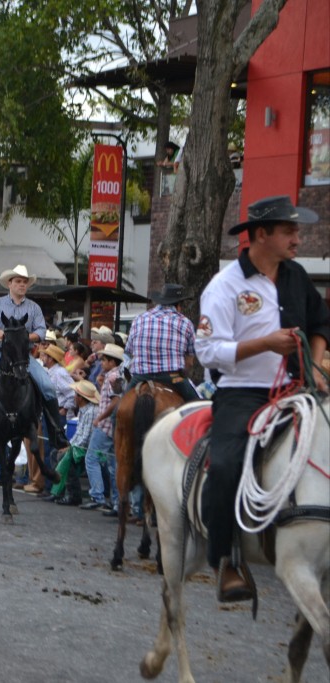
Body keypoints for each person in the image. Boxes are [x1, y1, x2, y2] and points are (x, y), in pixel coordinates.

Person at [195, 195, 329, 603]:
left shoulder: (296, 276)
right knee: (225, 464)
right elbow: (207, 350)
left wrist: (318, 366)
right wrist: (264, 344)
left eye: (296, 230)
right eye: (289, 230)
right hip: (242, 394)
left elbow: (321, 322)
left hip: (298, 386)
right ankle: (227, 559)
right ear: (261, 235)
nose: (297, 237)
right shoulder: (225, 286)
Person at [0, 264, 70, 452]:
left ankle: (57, 432)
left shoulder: (34, 307)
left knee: (47, 386)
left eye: (25, 282)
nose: (22, 285)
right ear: (9, 284)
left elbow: (41, 330)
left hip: (24, 357)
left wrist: (22, 338)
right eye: (18, 281)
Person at [125, 283, 199, 403]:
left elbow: (128, 350)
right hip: (172, 377)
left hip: (140, 376)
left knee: (117, 414)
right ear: (178, 305)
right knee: (196, 406)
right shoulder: (185, 323)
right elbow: (189, 362)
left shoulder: (139, 319)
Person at [80, 343, 125, 511]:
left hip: (106, 425)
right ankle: (115, 501)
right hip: (112, 425)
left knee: (91, 458)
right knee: (113, 463)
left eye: (105, 360)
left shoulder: (113, 376)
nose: (102, 363)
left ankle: (97, 495)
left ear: (113, 362)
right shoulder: (115, 375)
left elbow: (115, 400)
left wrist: (100, 417)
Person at [51, 379, 100, 506]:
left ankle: (74, 495)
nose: (74, 397)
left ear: (81, 398)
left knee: (66, 458)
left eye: (76, 395)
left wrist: (70, 449)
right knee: (55, 454)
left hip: (87, 448)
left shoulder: (90, 412)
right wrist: (69, 446)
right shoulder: (84, 410)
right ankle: (60, 491)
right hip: (80, 446)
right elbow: (79, 434)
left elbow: (85, 438)